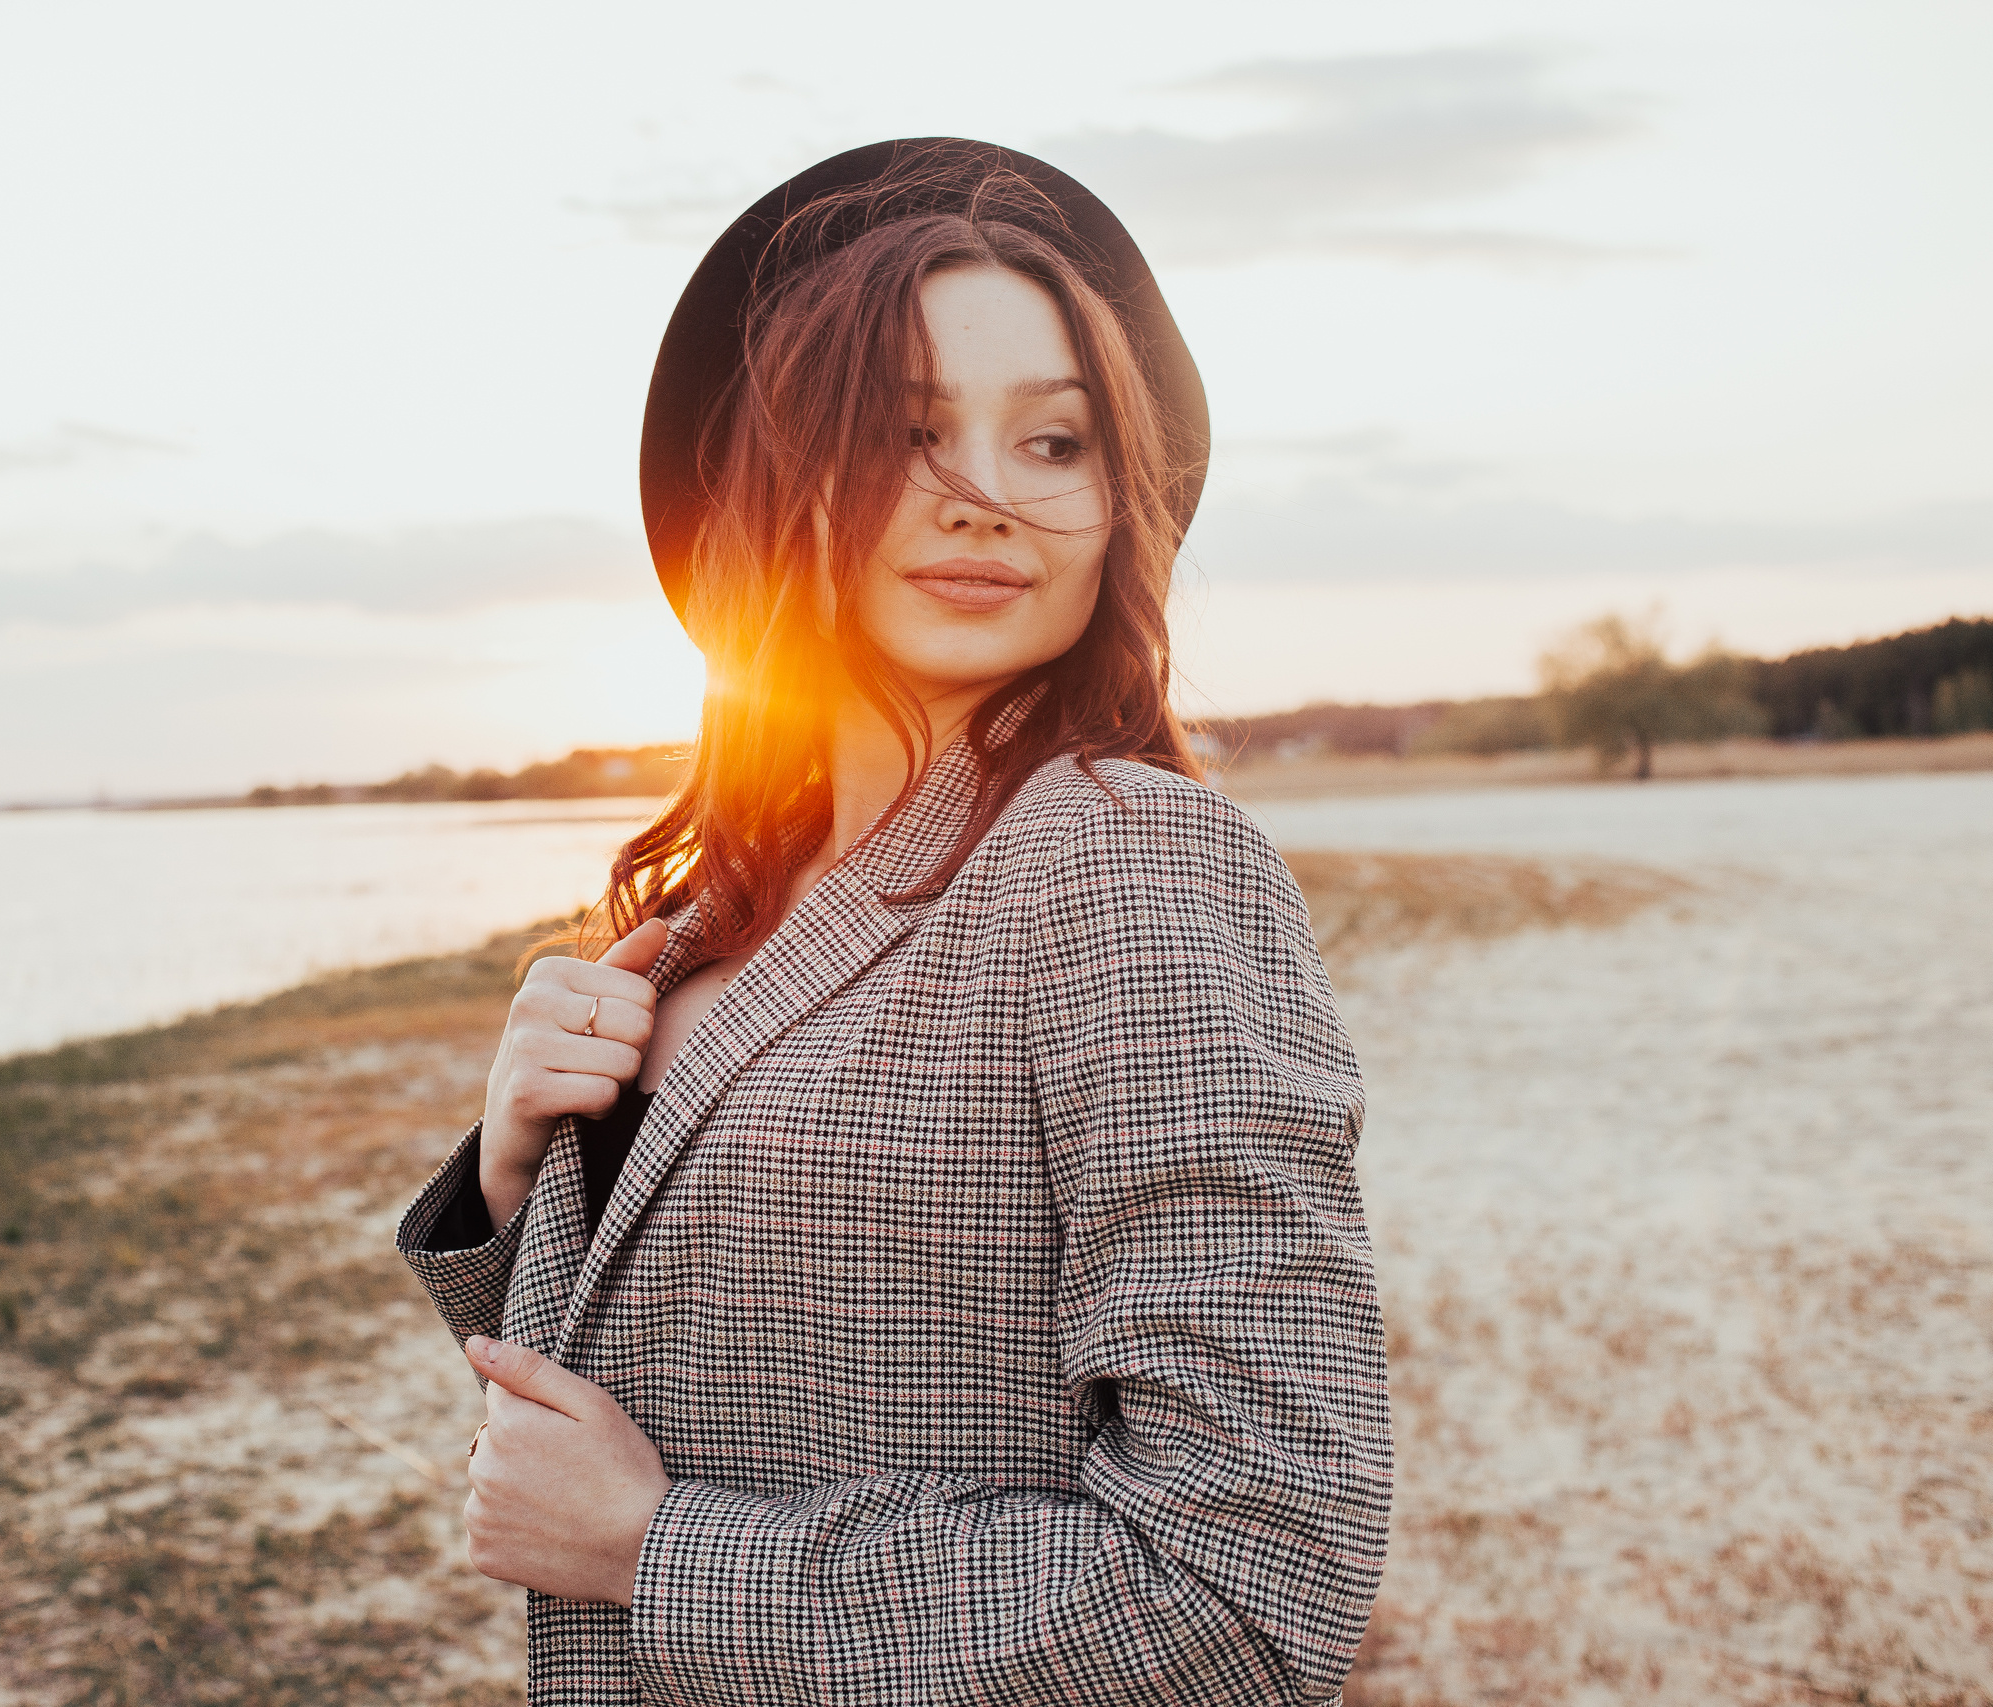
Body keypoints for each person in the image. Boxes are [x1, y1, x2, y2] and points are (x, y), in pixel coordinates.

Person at [397, 138, 1390, 1705]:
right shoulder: (697, 915)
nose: (988, 494)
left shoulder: (1129, 859)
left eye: (1053, 442)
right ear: (772, 480)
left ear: (1119, 500)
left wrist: (660, 1554)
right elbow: (659, 1376)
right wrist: (520, 1172)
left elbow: (1255, 1587)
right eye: (905, 433)